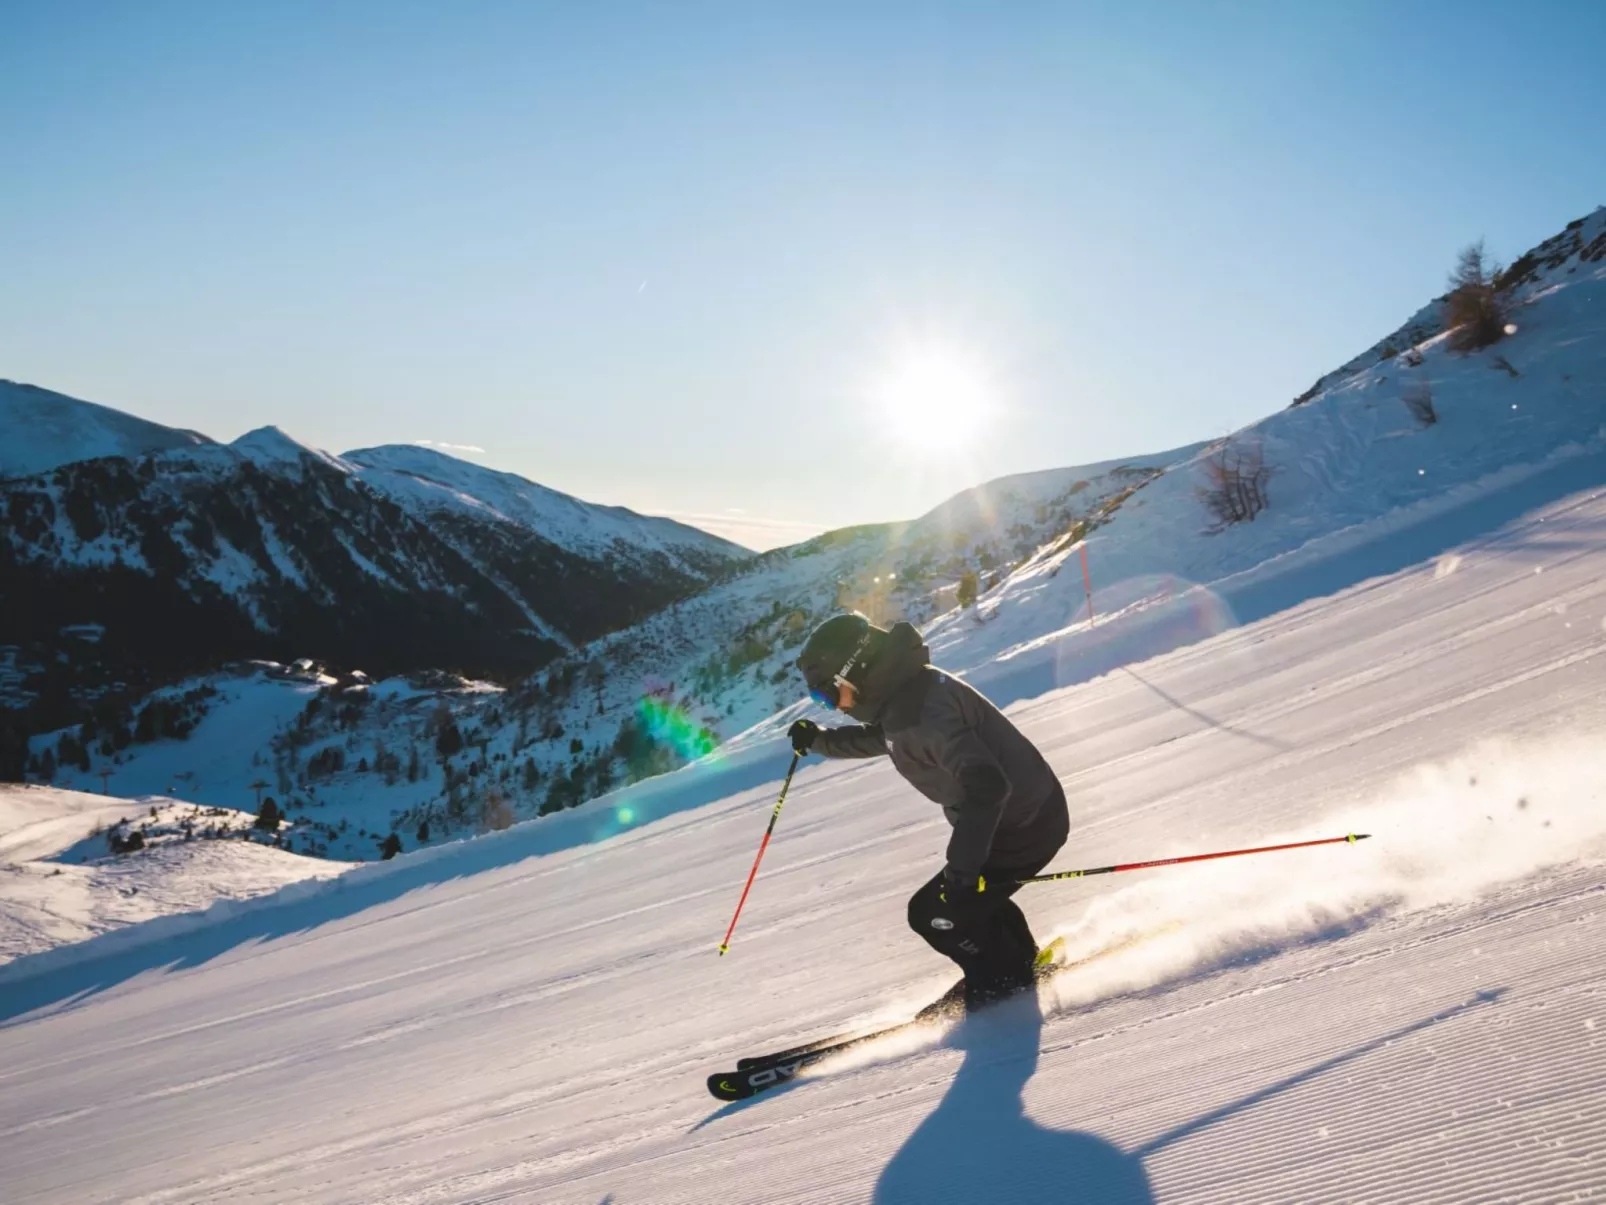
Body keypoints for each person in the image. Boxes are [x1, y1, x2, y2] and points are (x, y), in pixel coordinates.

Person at [788, 612, 1069, 1013]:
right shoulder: (905, 692)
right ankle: (1014, 963)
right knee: (973, 897)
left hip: (1022, 823)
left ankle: (1002, 982)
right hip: (1028, 810)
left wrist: (962, 873)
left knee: (935, 912)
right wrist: (820, 741)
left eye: (829, 695)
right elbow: (889, 738)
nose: (832, 707)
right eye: (820, 701)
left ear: (857, 672)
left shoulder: (918, 715)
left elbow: (987, 788)